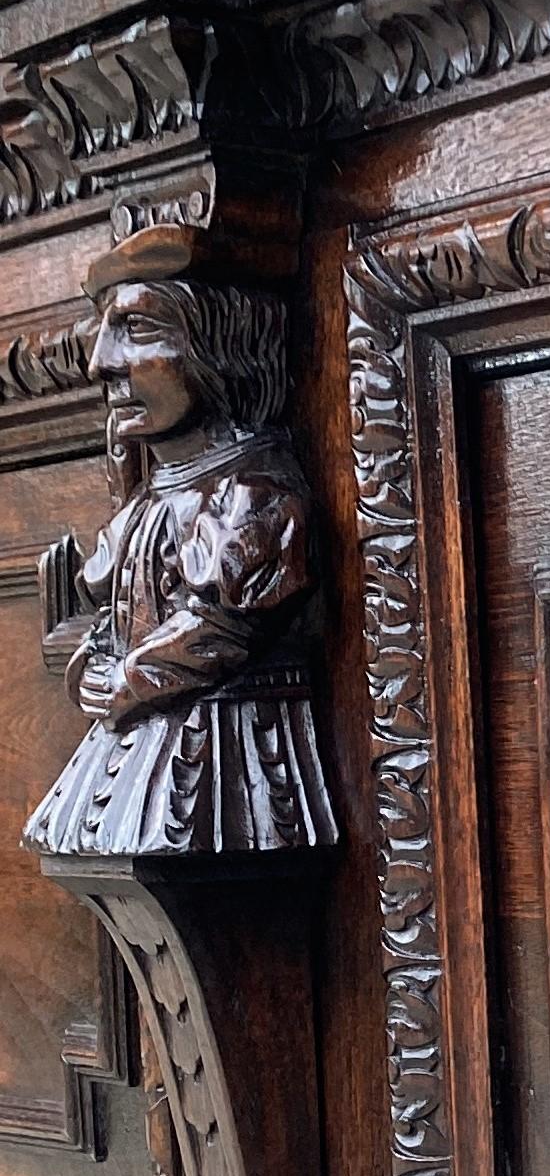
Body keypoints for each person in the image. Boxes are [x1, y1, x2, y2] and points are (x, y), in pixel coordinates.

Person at [26, 227, 336, 860]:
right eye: (103, 333)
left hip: (221, 755)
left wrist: (131, 679)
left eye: (138, 330)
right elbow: (113, 611)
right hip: (132, 751)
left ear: (220, 348)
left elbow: (218, 627)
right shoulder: (149, 499)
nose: (100, 363)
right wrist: (93, 664)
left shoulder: (249, 496)